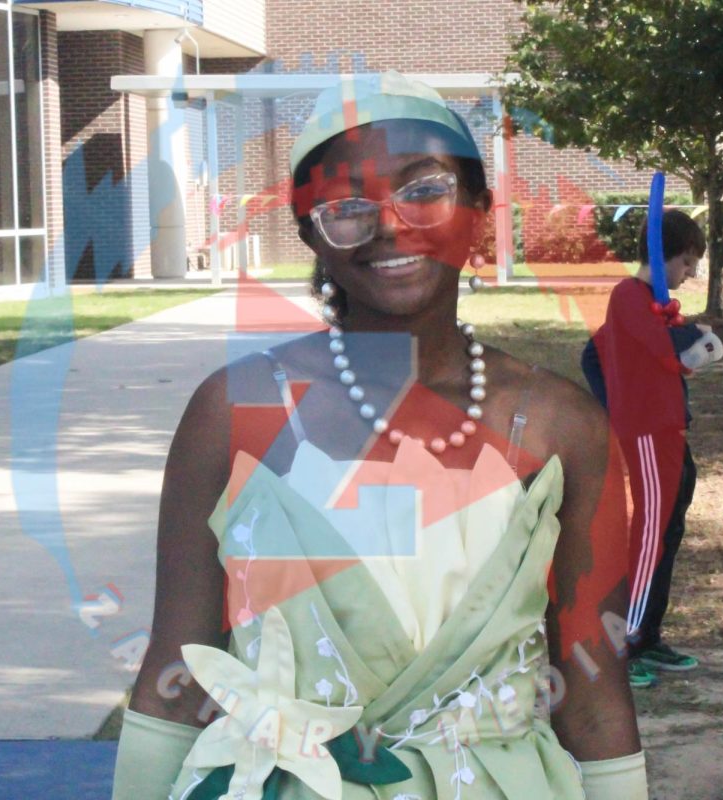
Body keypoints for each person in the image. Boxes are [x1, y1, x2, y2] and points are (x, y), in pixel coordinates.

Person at [111, 72, 648, 799]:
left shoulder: (560, 425)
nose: (391, 225)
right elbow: (176, 676)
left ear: (478, 211)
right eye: (346, 205)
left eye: (424, 190)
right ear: (309, 232)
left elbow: (592, 694)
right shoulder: (233, 414)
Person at [580, 209, 723, 689]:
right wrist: (695, 339)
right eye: (685, 263)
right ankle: (622, 641)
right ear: (665, 260)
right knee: (647, 537)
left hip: (669, 433)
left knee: (667, 531)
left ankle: (647, 633)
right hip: (645, 435)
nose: (690, 274)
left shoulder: (653, 304)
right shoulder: (628, 297)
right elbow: (668, 352)